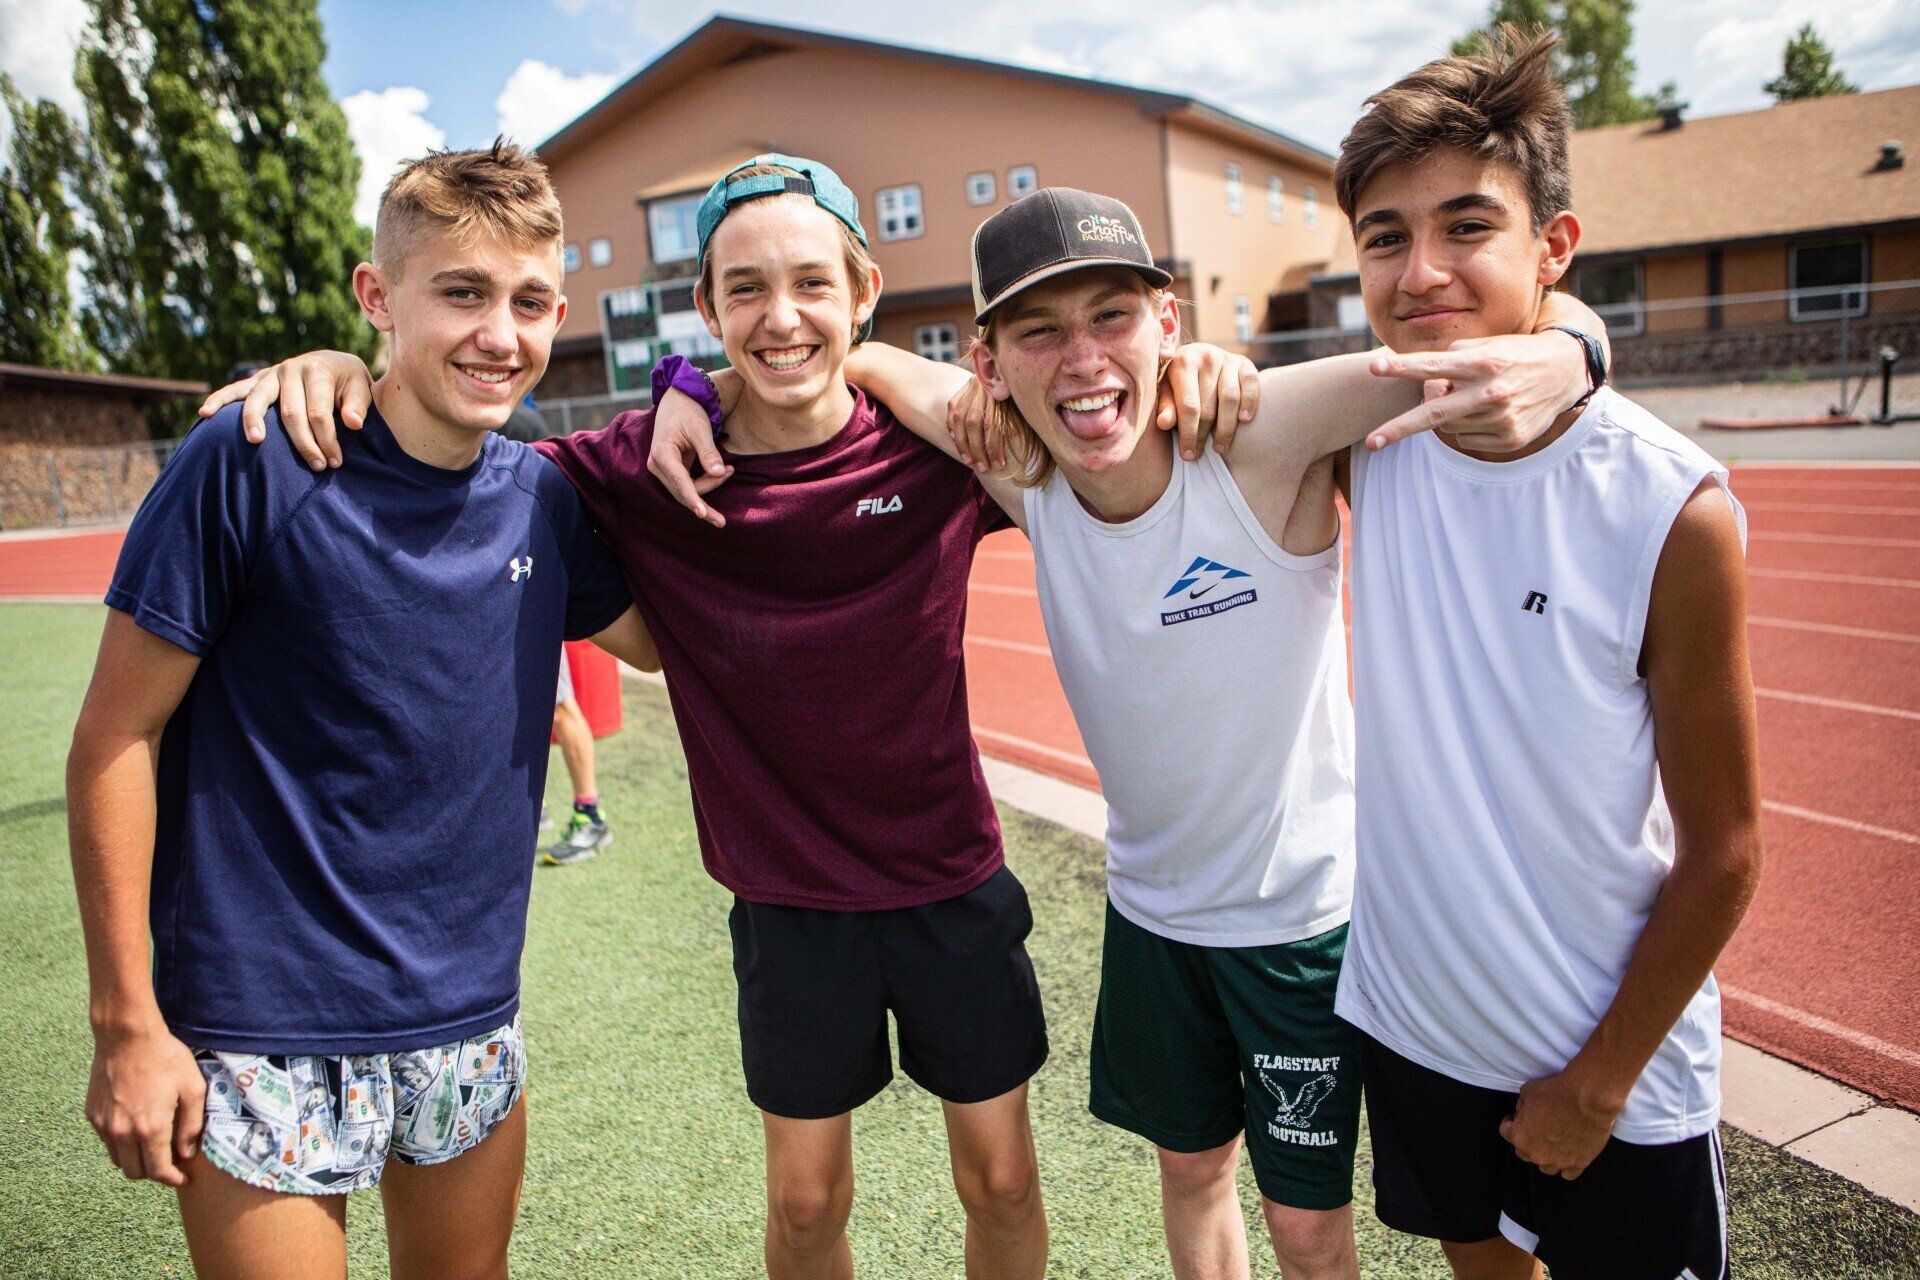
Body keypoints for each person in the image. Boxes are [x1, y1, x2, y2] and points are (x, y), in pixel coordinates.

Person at [649, 187, 1606, 1280]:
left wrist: (1575, 344)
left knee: (1307, 1230)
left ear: (1167, 321)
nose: (1082, 358)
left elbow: (1477, 354)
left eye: (1112, 315)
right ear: (988, 363)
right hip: (1150, 919)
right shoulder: (1023, 469)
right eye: (1039, 331)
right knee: (1190, 1178)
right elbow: (856, 361)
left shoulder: (1262, 431)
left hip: (1297, 922)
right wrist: (689, 384)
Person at [67, 140, 657, 1280]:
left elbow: (675, 644)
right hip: (264, 1025)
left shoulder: (544, 498)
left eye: (529, 301)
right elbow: (114, 737)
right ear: (377, 296)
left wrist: (779, 390)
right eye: (462, 293)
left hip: (470, 1016)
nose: (500, 334)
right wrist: (126, 1021)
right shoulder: (251, 460)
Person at [1328, 29, 1763, 1280]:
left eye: (1468, 227)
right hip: (1420, 1027)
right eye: (1385, 237)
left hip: (1607, 1058)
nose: (1422, 270)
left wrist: (1601, 1077)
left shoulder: (1672, 504)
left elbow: (1728, 848)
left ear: (1553, 245)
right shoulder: (1371, 434)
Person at [497, 398, 615, 865]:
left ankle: (590, 815)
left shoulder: (517, 426)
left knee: (561, 707)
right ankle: (536, 804)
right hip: (511, 591)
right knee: (518, 708)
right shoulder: (507, 422)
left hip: (531, 590)